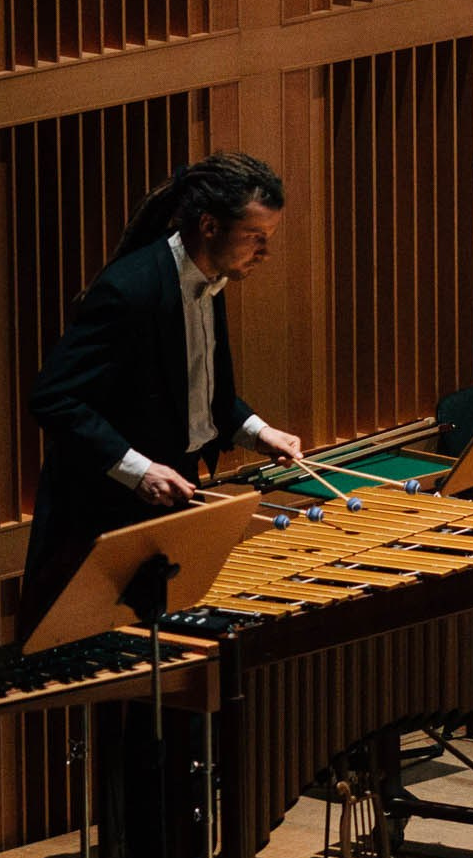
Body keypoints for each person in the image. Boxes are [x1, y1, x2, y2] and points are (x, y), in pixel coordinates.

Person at [23, 152, 305, 638]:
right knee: (115, 674)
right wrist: (139, 470)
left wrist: (259, 432)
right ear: (210, 226)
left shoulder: (209, 282)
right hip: (103, 518)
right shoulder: (131, 290)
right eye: (255, 239)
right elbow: (54, 397)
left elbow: (194, 392)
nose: (265, 253)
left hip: (166, 506)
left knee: (176, 666)